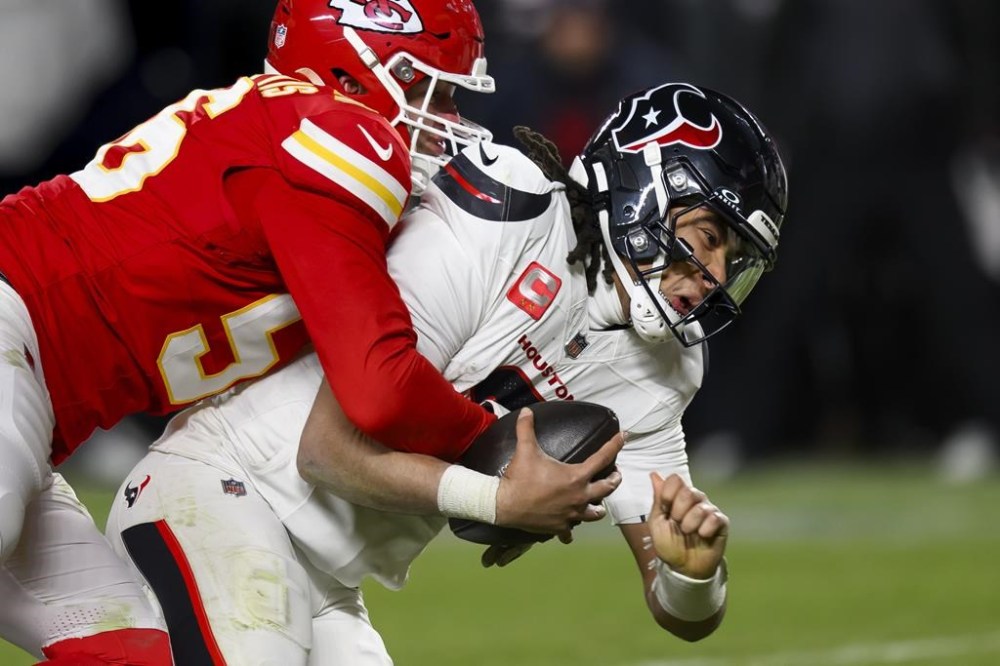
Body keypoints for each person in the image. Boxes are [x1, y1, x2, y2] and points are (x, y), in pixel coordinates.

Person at [0, 1, 619, 662]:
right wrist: (493, 455)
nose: (446, 125)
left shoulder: (285, 125)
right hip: (16, 322)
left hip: (37, 391)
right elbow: (378, 386)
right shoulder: (342, 133)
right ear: (353, 72)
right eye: (424, 92)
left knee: (133, 651)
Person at [104, 82, 789, 663]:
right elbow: (327, 448)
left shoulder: (665, 369)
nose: (716, 277)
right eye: (707, 238)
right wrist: (499, 502)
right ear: (647, 188)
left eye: (735, 260)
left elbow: (678, 606)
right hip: (218, 491)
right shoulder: (514, 214)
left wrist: (694, 574)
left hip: (327, 583)